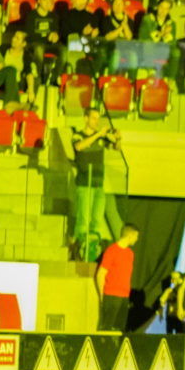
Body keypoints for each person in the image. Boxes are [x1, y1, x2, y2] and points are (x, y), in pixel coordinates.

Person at [71, 108, 120, 262]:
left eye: (98, 119)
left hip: (99, 184)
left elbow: (116, 148)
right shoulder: (78, 134)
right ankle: (78, 251)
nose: (97, 122)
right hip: (84, 183)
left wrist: (118, 139)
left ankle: (91, 250)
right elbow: (79, 146)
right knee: (83, 219)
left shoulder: (101, 138)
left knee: (96, 220)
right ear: (86, 119)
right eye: (93, 118)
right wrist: (98, 134)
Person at [95, 224, 139, 332]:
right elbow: (101, 274)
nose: (137, 239)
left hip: (124, 296)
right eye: (136, 236)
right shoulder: (111, 251)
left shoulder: (130, 253)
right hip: (111, 295)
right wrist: (101, 295)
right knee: (107, 328)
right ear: (130, 235)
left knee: (120, 329)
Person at [4, 30, 38, 104]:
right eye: (14, 36)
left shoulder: (27, 56)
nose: (13, 39)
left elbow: (29, 73)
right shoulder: (3, 49)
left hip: (18, 83)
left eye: (17, 38)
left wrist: (31, 91)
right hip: (3, 82)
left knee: (35, 79)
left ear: (23, 44)